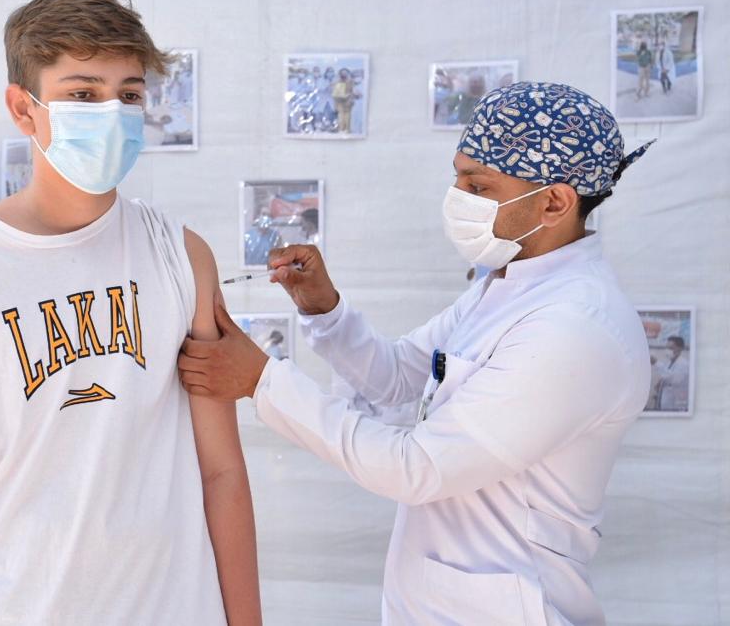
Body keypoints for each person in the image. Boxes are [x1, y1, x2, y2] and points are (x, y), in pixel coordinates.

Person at [179, 81, 655, 625]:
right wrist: (323, 309)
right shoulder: (504, 285)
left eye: (479, 185)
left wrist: (264, 382)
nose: (458, 197)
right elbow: (399, 377)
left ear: (554, 201)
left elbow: (417, 467)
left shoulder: (576, 328)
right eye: (457, 176)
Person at [0, 0, 260, 625]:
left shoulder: (182, 256)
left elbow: (221, 473)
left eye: (128, 94)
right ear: (24, 109)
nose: (111, 111)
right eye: (82, 94)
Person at [655, 335, 689, 411]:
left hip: (675, 407)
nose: (668, 350)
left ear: (680, 348)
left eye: (671, 348)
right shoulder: (668, 363)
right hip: (665, 405)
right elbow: (666, 376)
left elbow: (675, 379)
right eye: (667, 348)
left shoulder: (684, 364)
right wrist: (661, 383)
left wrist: (656, 363)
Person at [331, 67, 358, 134]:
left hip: (348, 103)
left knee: (347, 117)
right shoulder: (337, 83)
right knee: (341, 117)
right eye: (342, 73)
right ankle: (341, 129)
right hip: (340, 103)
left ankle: (347, 130)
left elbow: (354, 92)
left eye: (345, 73)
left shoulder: (351, 82)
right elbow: (335, 94)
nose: (344, 75)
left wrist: (351, 96)